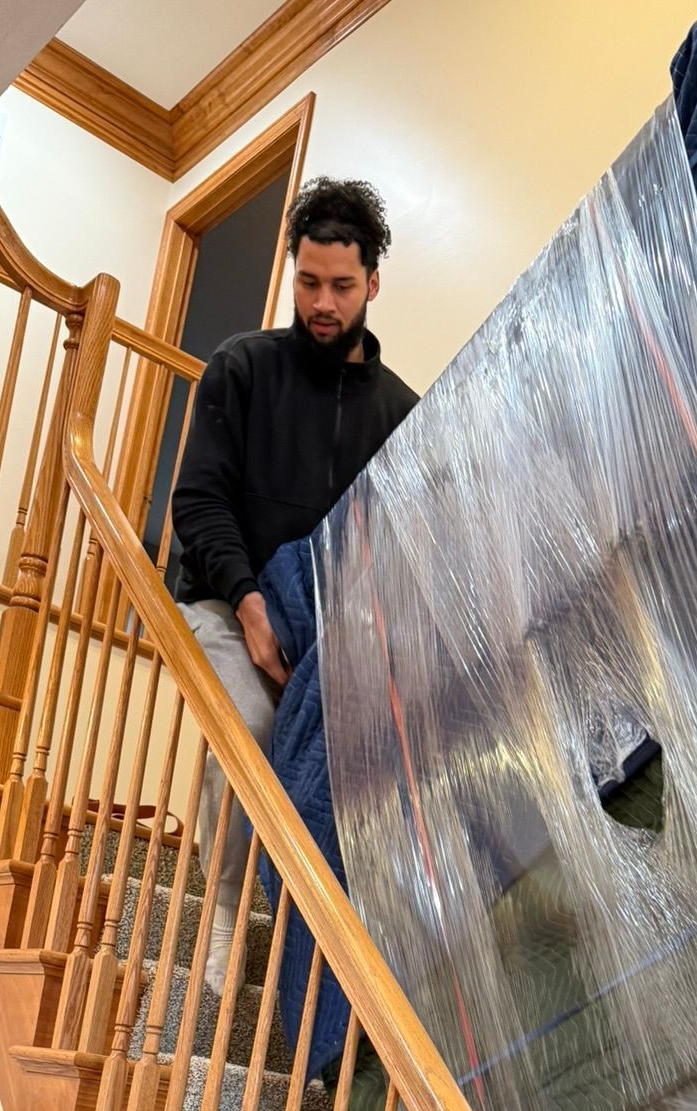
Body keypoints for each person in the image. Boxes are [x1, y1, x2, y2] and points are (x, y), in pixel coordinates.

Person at [169, 176, 418, 994]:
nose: (322, 301)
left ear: (372, 285)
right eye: (307, 282)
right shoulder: (241, 368)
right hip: (223, 597)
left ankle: (323, 965)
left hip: (330, 632)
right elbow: (198, 503)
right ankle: (222, 916)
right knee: (248, 724)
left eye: (341, 287)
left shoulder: (402, 414)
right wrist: (248, 604)